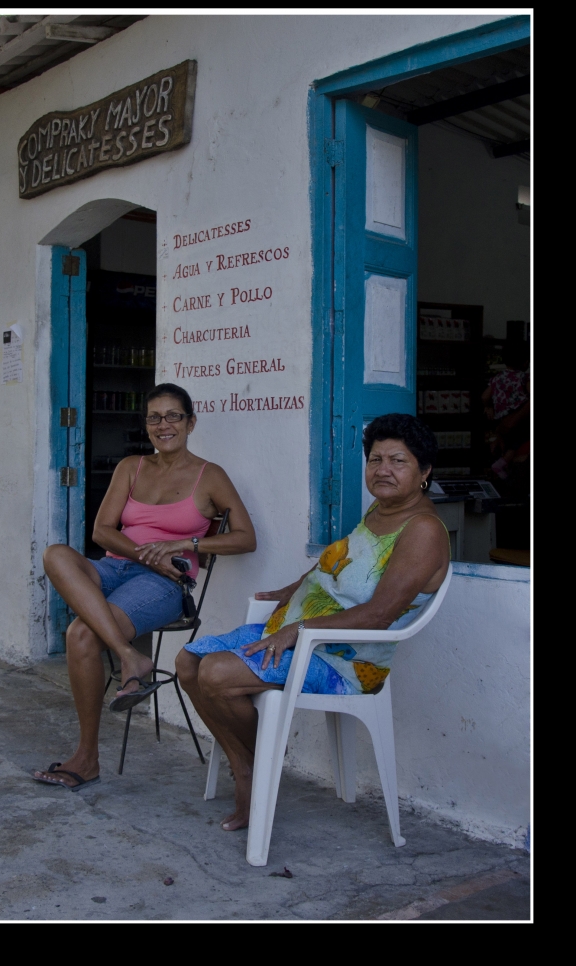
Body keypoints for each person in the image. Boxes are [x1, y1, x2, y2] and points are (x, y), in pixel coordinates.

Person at [176, 413, 449, 831]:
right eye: (376, 460)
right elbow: (339, 567)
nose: (383, 470)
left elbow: (381, 614)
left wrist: (298, 630)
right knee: (188, 663)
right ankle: (247, 763)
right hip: (296, 634)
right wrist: (293, 589)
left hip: (340, 658)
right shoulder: (379, 511)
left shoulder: (423, 530)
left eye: (398, 461)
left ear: (424, 472)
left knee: (216, 673)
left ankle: (258, 770)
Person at [35, 383, 256, 791]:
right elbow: (103, 531)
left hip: (166, 582)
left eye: (173, 416)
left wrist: (184, 544)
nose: (163, 425)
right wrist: (142, 552)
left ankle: (86, 758)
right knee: (55, 554)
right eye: (154, 417)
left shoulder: (210, 476)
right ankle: (128, 657)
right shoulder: (131, 467)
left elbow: (245, 538)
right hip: (118, 568)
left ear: (191, 422)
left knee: (81, 633)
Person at [482, 342, 530, 480]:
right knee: (516, 444)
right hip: (518, 419)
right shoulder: (524, 378)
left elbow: (485, 396)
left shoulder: (497, 378)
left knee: (508, 443)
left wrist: (488, 407)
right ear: (526, 362)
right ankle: (502, 465)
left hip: (501, 418)